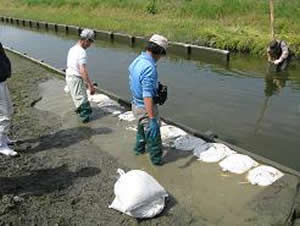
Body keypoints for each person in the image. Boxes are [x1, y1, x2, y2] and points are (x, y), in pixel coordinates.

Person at [128, 34, 168, 166]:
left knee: (141, 130)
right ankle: (157, 165)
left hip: (135, 105)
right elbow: (147, 95)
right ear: (159, 52)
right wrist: (152, 118)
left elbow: (133, 80)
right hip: (145, 108)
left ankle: (138, 151)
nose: (161, 58)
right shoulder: (149, 68)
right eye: (162, 54)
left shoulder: (137, 60)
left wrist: (155, 87)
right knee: (154, 137)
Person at [65, 29, 96, 123]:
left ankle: (79, 112)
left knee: (78, 98)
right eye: (90, 42)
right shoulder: (81, 52)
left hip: (69, 77)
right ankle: (85, 127)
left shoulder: (72, 48)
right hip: (76, 78)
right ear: (86, 40)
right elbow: (82, 70)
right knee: (84, 104)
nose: (90, 45)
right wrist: (90, 85)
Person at [0, 43, 18, 156]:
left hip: (2, 81)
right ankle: (1, 145)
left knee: (9, 110)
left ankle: (4, 138)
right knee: (4, 115)